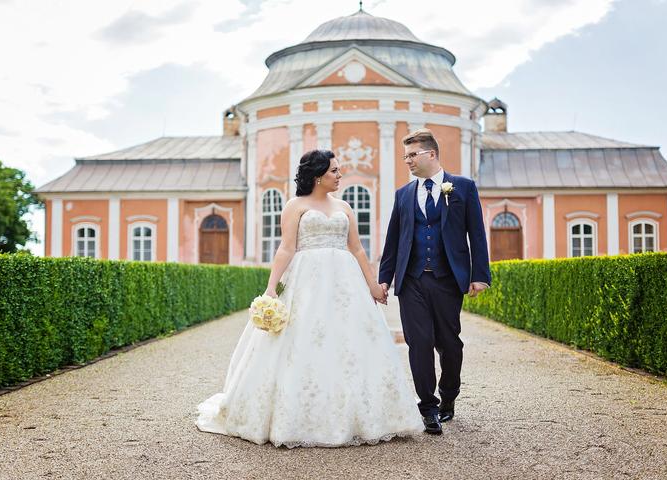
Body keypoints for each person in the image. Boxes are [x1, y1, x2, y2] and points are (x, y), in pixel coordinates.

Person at [195, 149, 423, 448]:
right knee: (302, 340)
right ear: (317, 176)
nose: (339, 175)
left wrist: (372, 286)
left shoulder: (344, 206)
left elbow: (357, 249)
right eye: (334, 171)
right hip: (307, 280)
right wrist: (271, 288)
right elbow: (286, 248)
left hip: (345, 282)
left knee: (351, 342)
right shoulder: (296, 206)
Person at [379, 128, 491, 435]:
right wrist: (384, 280)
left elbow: (476, 234)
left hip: (447, 280)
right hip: (411, 280)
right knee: (419, 344)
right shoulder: (403, 195)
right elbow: (393, 240)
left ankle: (448, 395)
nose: (407, 161)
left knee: (449, 343)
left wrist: (480, 275)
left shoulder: (463, 187)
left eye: (412, 155)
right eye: (405, 156)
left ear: (431, 154)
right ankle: (427, 407)